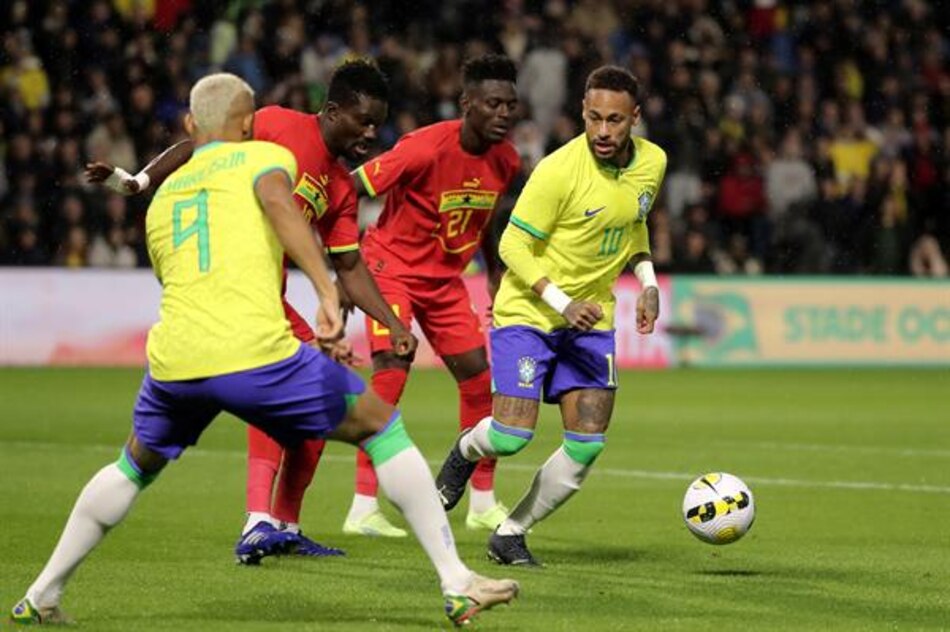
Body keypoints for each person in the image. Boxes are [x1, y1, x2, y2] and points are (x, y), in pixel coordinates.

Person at [10, 73, 518, 627]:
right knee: (382, 427)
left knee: (132, 466)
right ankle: (456, 581)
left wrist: (136, 182)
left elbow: (180, 272)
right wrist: (325, 292)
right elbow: (281, 206)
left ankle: (42, 594)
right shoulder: (262, 160)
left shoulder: (164, 201)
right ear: (250, 125)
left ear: (190, 126)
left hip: (177, 357)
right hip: (254, 347)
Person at [85, 61, 418, 558]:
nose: (373, 133)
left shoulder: (342, 188)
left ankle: (282, 523)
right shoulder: (279, 124)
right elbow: (202, 146)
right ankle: (258, 519)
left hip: (269, 293)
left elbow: (348, 266)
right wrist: (138, 182)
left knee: (324, 397)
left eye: (378, 123)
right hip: (230, 289)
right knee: (296, 384)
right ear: (332, 111)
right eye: (364, 121)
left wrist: (391, 323)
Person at [435, 65, 667, 565]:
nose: (603, 132)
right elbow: (512, 243)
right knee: (511, 435)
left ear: (635, 119)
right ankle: (463, 454)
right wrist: (563, 303)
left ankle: (511, 533)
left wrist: (647, 283)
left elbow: (634, 226)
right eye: (594, 118)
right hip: (531, 311)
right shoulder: (558, 170)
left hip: (592, 318)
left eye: (615, 121)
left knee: (586, 445)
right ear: (582, 113)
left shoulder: (654, 162)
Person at [345, 54, 521, 535]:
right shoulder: (422, 147)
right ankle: (362, 507)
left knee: (477, 380)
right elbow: (350, 186)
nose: (504, 113)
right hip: (389, 270)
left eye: (511, 104)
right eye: (493, 104)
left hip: (445, 281)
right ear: (467, 103)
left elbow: (484, 214)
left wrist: (494, 268)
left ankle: (482, 500)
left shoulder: (507, 160)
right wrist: (340, 259)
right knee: (390, 375)